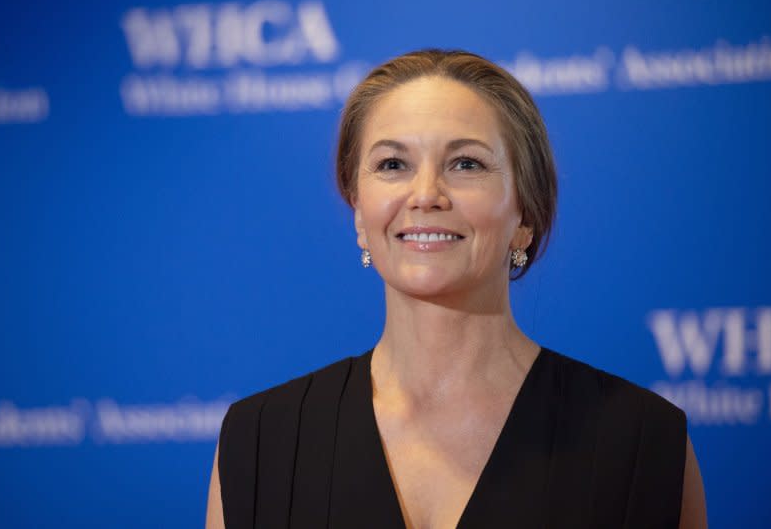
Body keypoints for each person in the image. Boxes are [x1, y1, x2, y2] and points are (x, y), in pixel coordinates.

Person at [205, 49, 707, 529]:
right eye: (392, 165)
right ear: (359, 212)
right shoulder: (260, 440)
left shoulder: (643, 443)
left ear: (525, 216)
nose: (425, 195)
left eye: (465, 164)